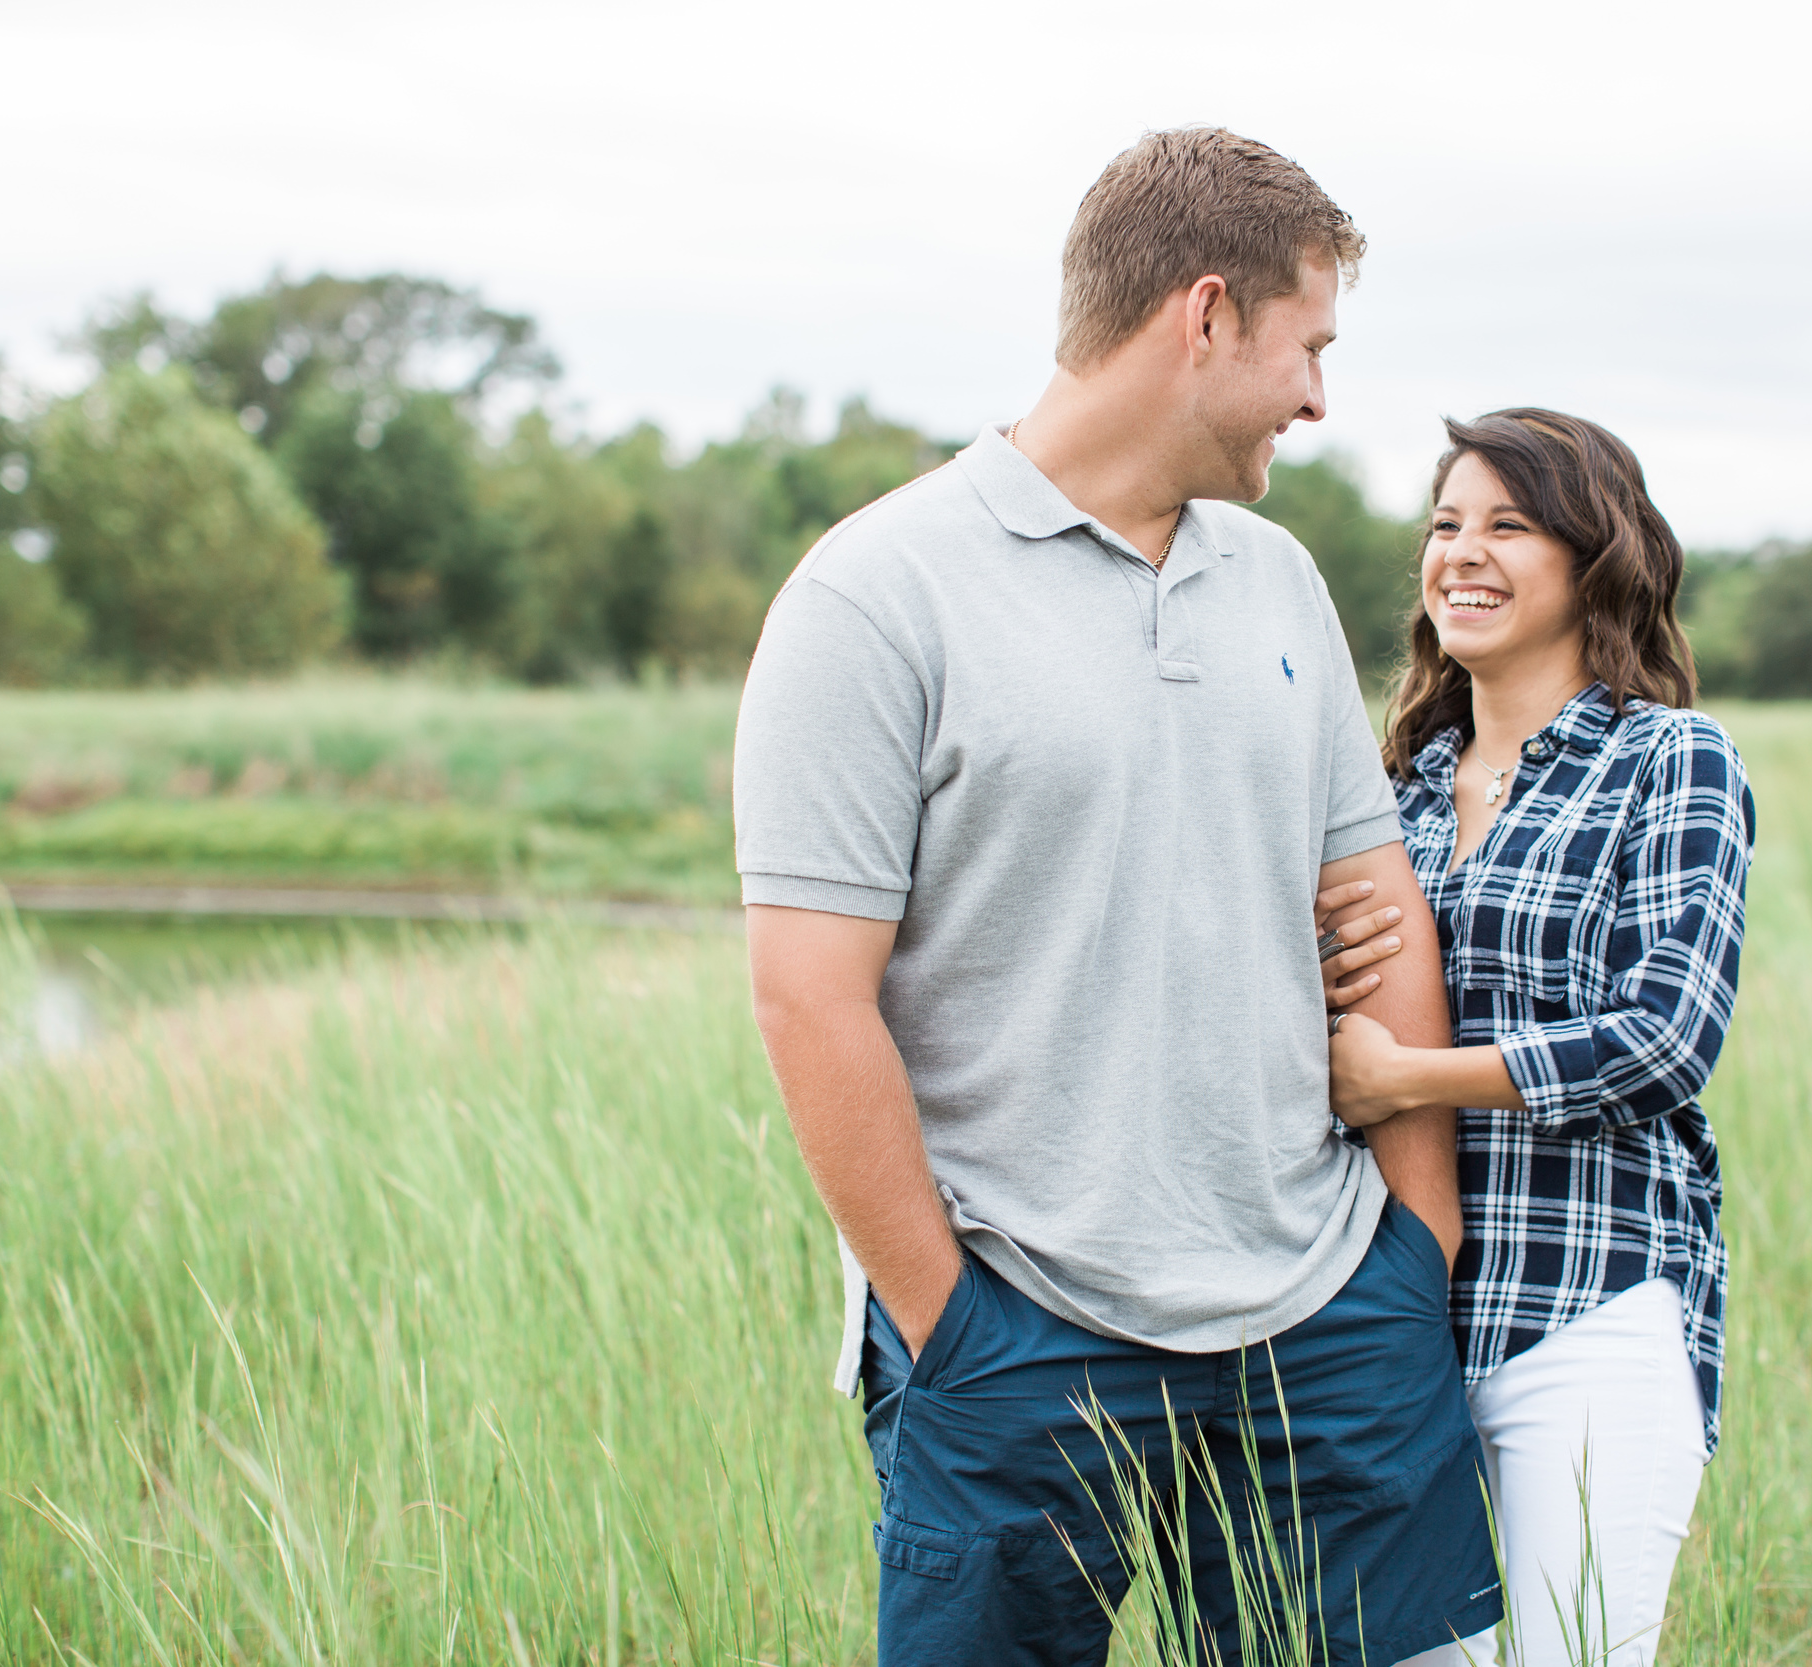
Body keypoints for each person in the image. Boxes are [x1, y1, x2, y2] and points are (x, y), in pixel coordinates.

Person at [734, 128, 1502, 1667]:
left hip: (1329, 1321)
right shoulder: (875, 595)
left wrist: (1416, 1242)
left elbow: (1377, 906)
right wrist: (950, 1323)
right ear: (1203, 317)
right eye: (1310, 346)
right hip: (1023, 1328)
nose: (1320, 397)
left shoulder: (1278, 577)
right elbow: (809, 993)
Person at [1323, 411, 1754, 1667]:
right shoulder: (1385, 790)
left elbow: (1664, 1037)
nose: (1462, 551)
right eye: (1446, 523)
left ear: (1593, 557)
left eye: (1508, 524)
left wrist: (1404, 1076)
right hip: (1391, 1319)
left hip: (1589, 1303)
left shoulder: (1671, 762)